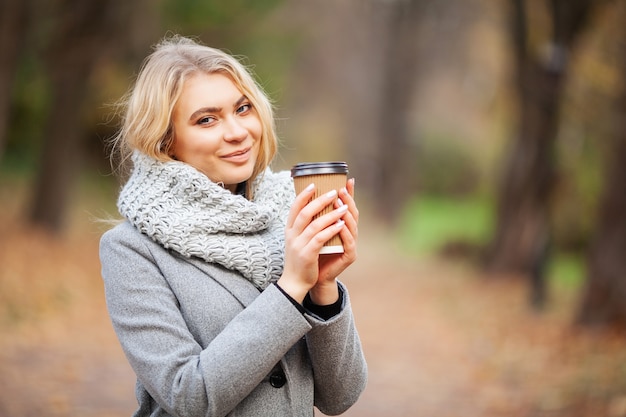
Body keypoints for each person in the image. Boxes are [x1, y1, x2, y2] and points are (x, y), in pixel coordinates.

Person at [99, 34, 367, 417]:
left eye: (243, 109)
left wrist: (324, 286)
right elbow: (188, 396)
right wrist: (291, 286)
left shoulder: (285, 216)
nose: (238, 132)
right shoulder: (131, 249)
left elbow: (340, 397)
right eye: (206, 119)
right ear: (165, 141)